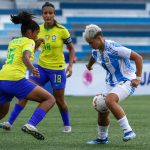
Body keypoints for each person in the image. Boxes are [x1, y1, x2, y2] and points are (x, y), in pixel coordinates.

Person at [0, 2, 75, 133]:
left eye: (50, 13)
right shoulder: (36, 30)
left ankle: (67, 126)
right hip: (40, 68)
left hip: (56, 69)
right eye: (45, 13)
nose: (48, 15)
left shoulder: (62, 30)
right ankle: (16, 123)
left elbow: (71, 48)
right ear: (42, 14)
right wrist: (33, 63)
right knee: (37, 97)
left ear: (54, 14)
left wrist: (70, 65)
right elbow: (27, 53)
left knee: (59, 100)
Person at [83, 24, 143, 144]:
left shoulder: (114, 48)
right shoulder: (95, 49)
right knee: (101, 108)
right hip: (111, 83)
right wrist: (89, 66)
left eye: (91, 42)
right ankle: (102, 138)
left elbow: (138, 58)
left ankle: (128, 131)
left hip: (127, 80)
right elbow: (93, 56)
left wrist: (138, 78)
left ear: (99, 38)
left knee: (109, 101)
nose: (90, 45)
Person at [0, 11, 55, 140]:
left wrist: (35, 46)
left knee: (2, 112)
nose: (36, 36)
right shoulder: (29, 42)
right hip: (15, 80)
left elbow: (22, 53)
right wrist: (33, 68)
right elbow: (25, 57)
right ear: (30, 32)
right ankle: (31, 124)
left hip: (2, 79)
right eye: (36, 33)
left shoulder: (14, 42)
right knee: (50, 99)